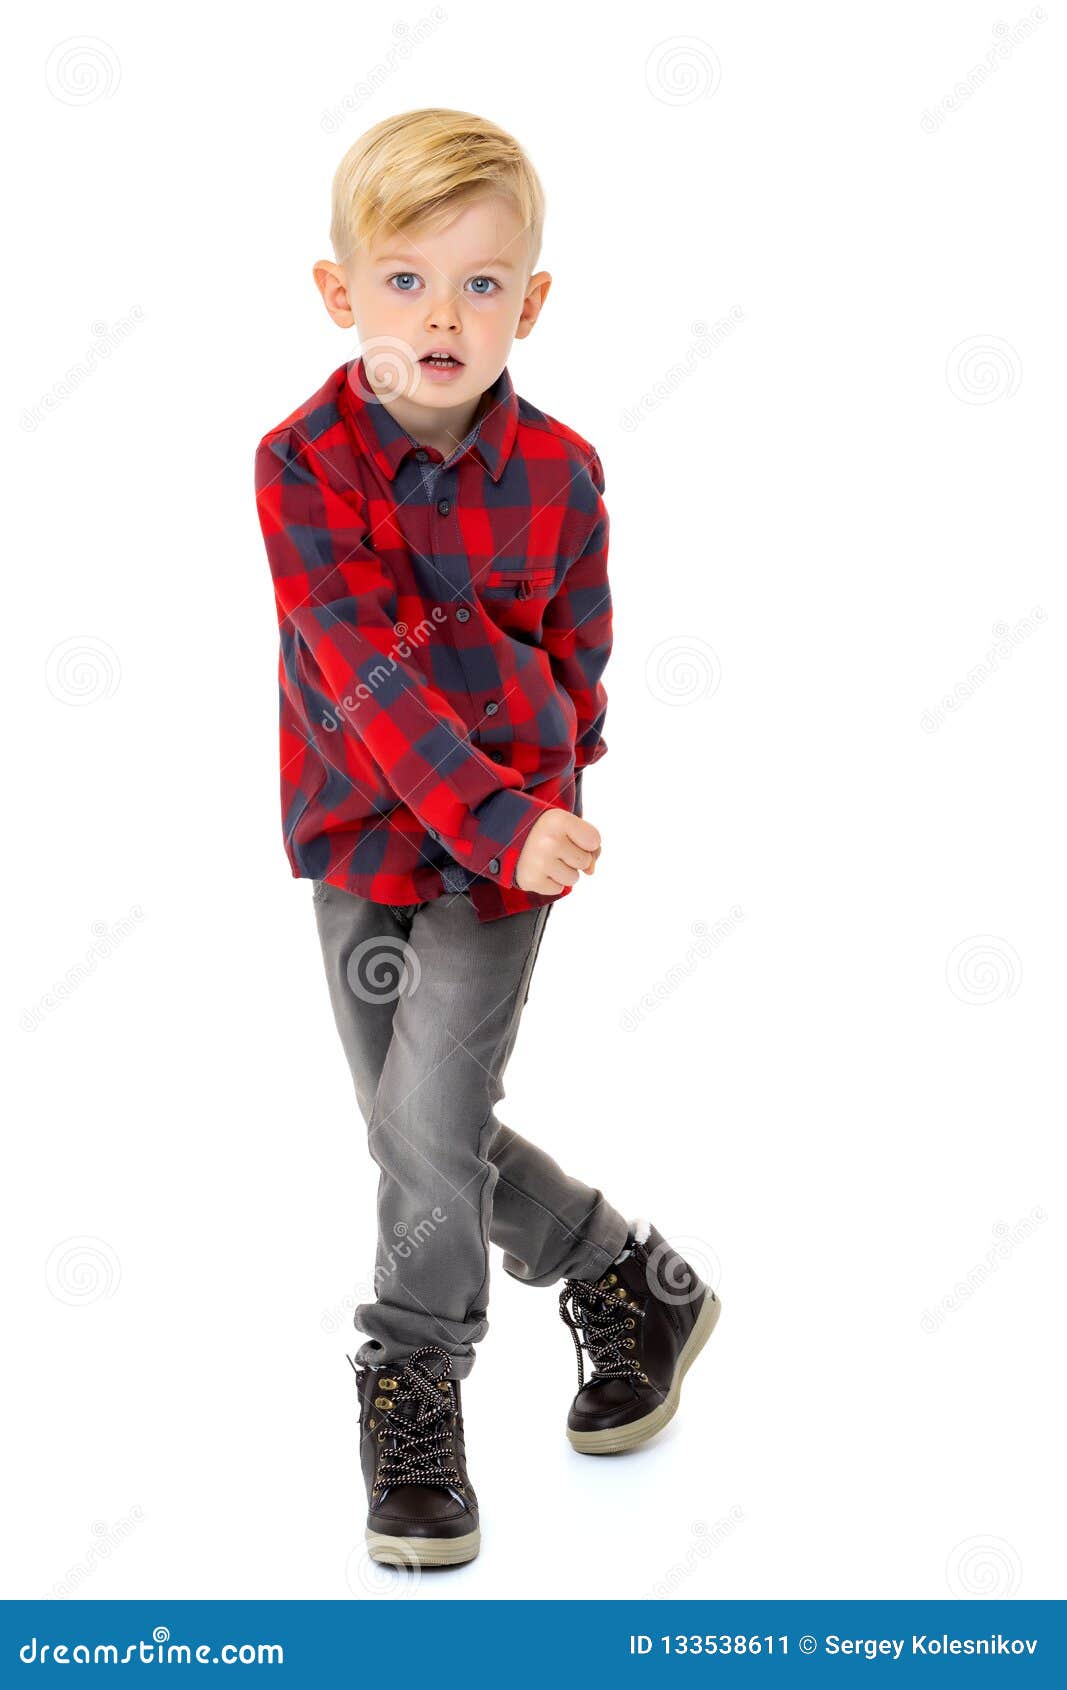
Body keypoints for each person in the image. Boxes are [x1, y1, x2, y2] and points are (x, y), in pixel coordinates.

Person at [253, 107, 720, 1568]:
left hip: (499, 866)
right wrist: (503, 809)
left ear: (533, 301)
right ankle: (627, 1272)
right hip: (364, 834)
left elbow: (581, 647)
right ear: (341, 296)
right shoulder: (300, 466)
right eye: (405, 281)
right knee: (414, 1131)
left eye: (480, 284)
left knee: (425, 1131)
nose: (443, 317)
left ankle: (412, 1383)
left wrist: (556, 790)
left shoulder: (563, 472)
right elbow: (366, 676)